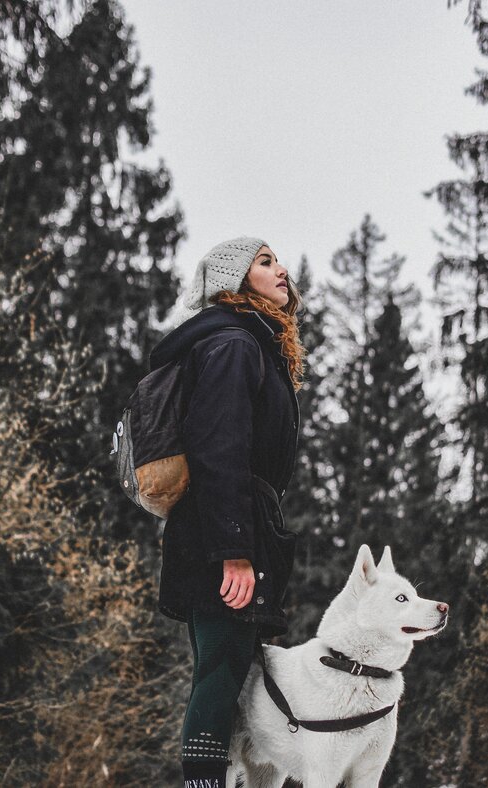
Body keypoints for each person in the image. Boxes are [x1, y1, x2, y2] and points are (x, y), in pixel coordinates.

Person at [148, 237, 306, 788]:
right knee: (219, 672)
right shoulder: (234, 343)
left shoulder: (244, 343)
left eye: (277, 259)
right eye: (264, 262)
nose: (281, 269)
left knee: (227, 669)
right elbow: (219, 445)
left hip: (226, 524)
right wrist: (233, 552)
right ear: (232, 282)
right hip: (221, 533)